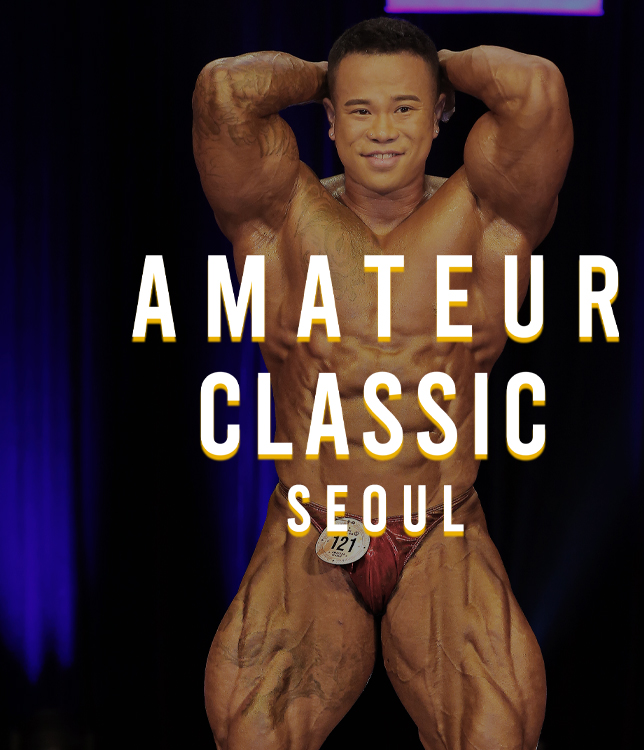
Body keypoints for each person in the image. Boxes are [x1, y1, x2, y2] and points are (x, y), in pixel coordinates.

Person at [192, 16, 572, 750]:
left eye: (405, 107)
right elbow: (224, 91)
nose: (383, 131)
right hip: (314, 526)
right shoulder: (279, 216)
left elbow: (535, 89)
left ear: (439, 114)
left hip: (439, 530)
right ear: (330, 121)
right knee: (256, 735)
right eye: (360, 110)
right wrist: (327, 73)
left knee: (493, 735)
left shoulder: (487, 216)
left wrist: (433, 62)